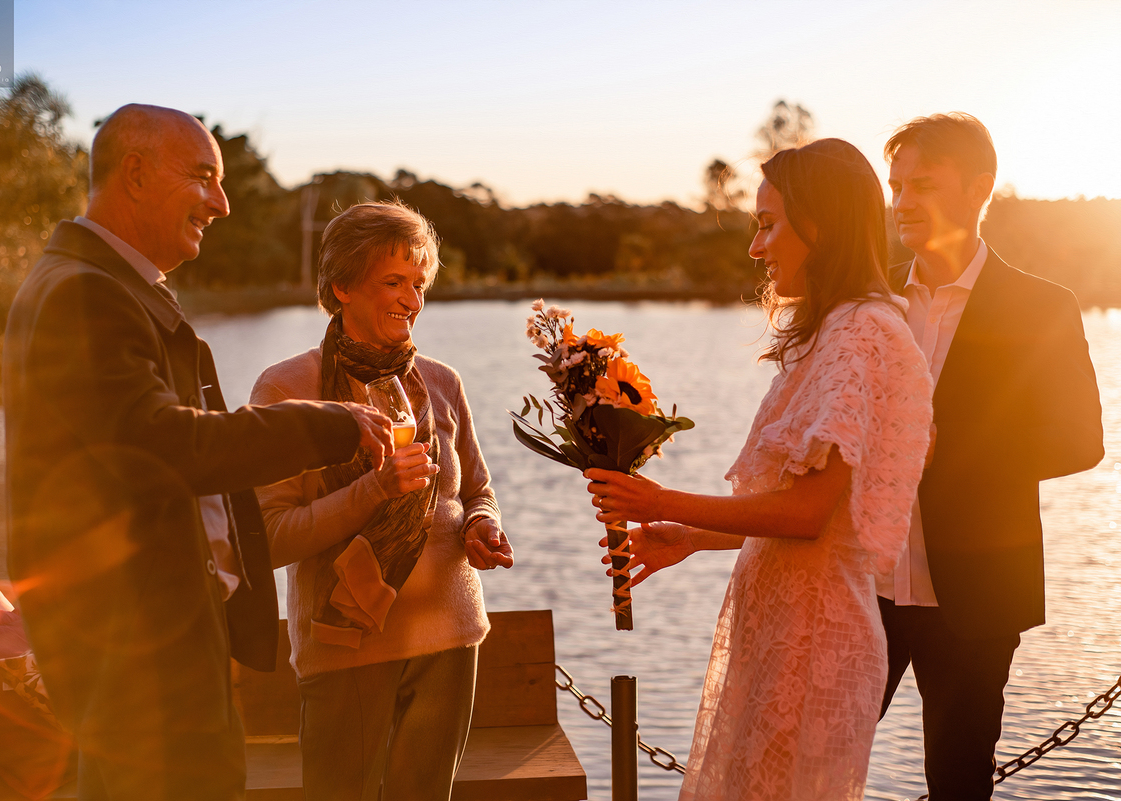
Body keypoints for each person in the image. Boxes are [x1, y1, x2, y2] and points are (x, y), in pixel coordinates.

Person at [2, 104, 394, 801]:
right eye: (205, 177)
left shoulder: (113, 285)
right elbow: (164, 443)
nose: (223, 201)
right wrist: (325, 423)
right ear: (136, 174)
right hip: (134, 645)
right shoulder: (85, 294)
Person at [585, 139, 934, 800]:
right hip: (778, 629)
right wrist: (695, 537)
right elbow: (798, 509)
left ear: (822, 225)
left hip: (815, 643)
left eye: (768, 224)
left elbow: (808, 516)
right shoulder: (829, 333)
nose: (756, 247)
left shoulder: (865, 333)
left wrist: (665, 500)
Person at [249, 200, 512, 800]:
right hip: (346, 651)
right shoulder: (285, 388)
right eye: (393, 282)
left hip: (450, 637)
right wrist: (374, 490)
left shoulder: (442, 383)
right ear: (341, 285)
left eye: (419, 284)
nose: (412, 299)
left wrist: (482, 526)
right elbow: (266, 538)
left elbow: (476, 490)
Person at [876, 113, 1104, 799]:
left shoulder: (1043, 306)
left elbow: (1081, 441)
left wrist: (952, 448)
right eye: (895, 186)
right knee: (815, 761)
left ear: (979, 189)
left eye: (923, 183)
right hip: (863, 586)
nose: (903, 202)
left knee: (957, 779)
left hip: (976, 595)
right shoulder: (869, 300)